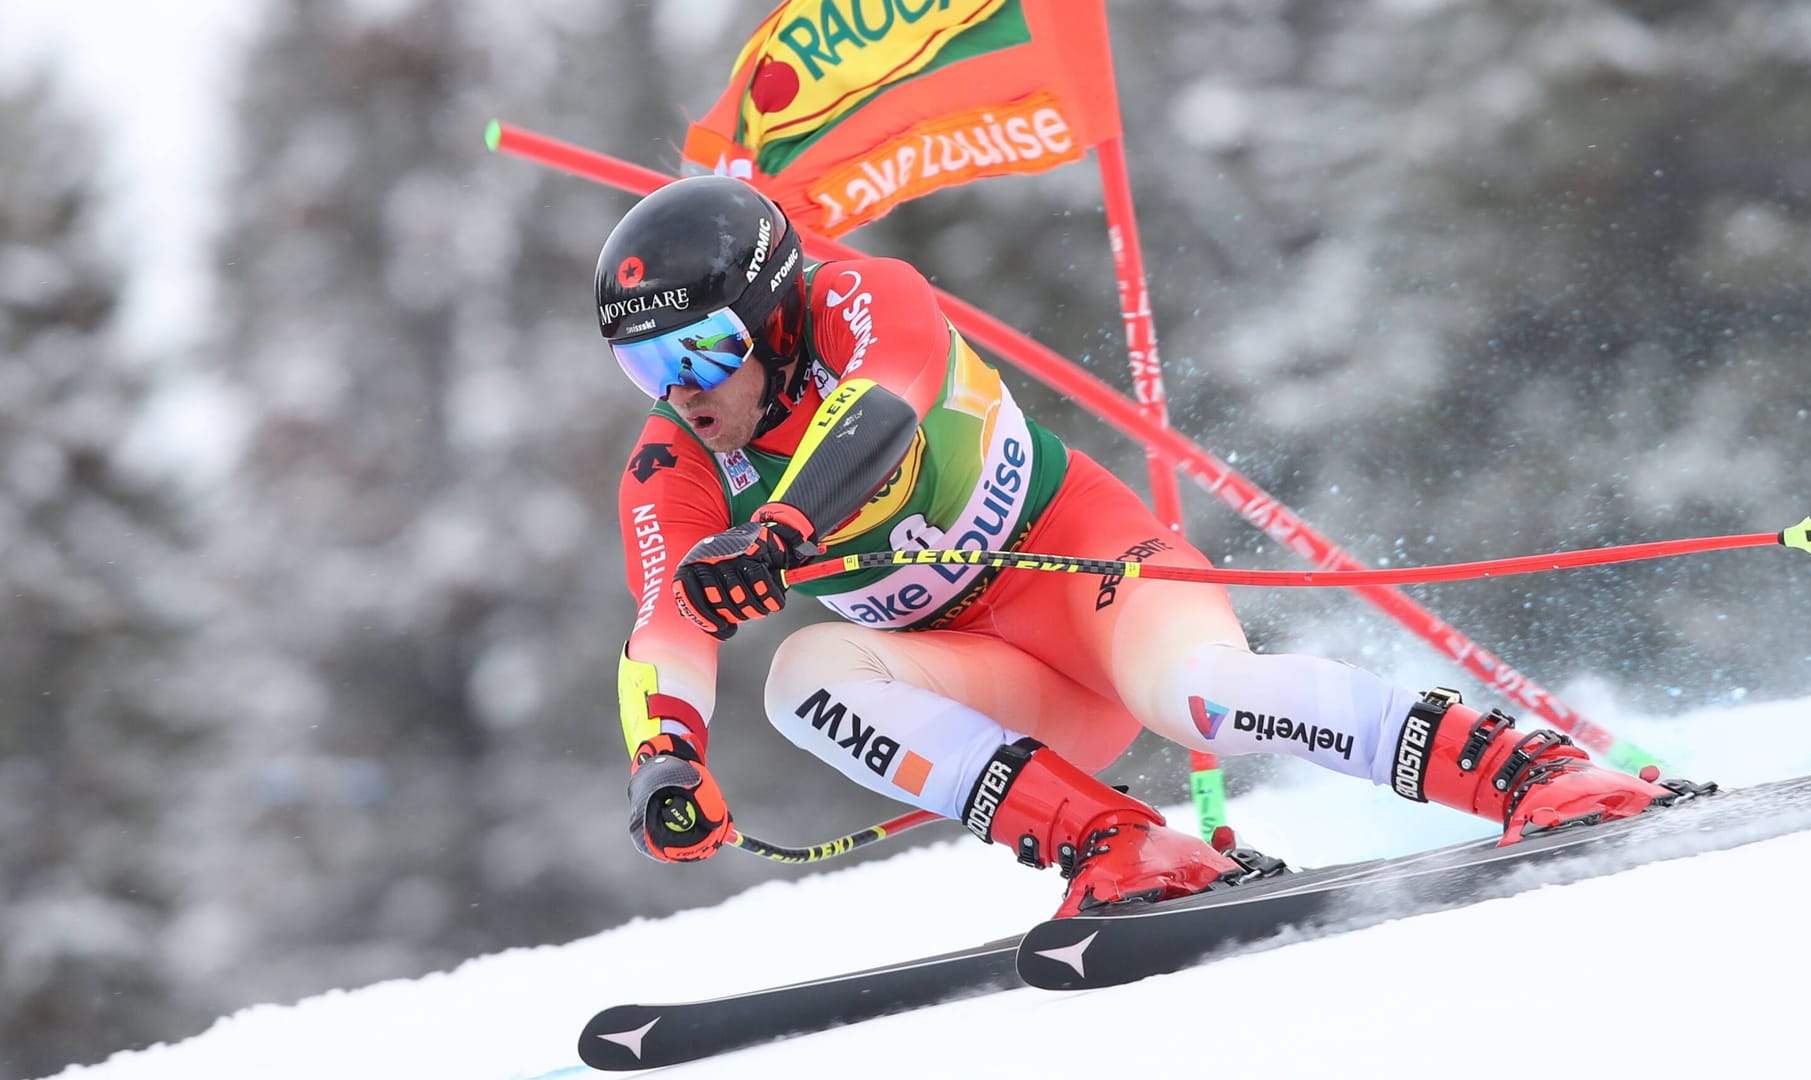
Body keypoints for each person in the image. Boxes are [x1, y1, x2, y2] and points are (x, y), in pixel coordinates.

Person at [600, 174, 1688, 917]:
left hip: (1095, 580)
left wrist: (782, 529)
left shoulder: (866, 302)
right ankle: (1118, 846)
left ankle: (1525, 771)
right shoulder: (672, 469)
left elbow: (884, 419)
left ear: (776, 312)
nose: (681, 393)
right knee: (802, 678)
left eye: (699, 350)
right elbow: (666, 623)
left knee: (1205, 699)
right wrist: (667, 760)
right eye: (647, 370)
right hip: (997, 674)